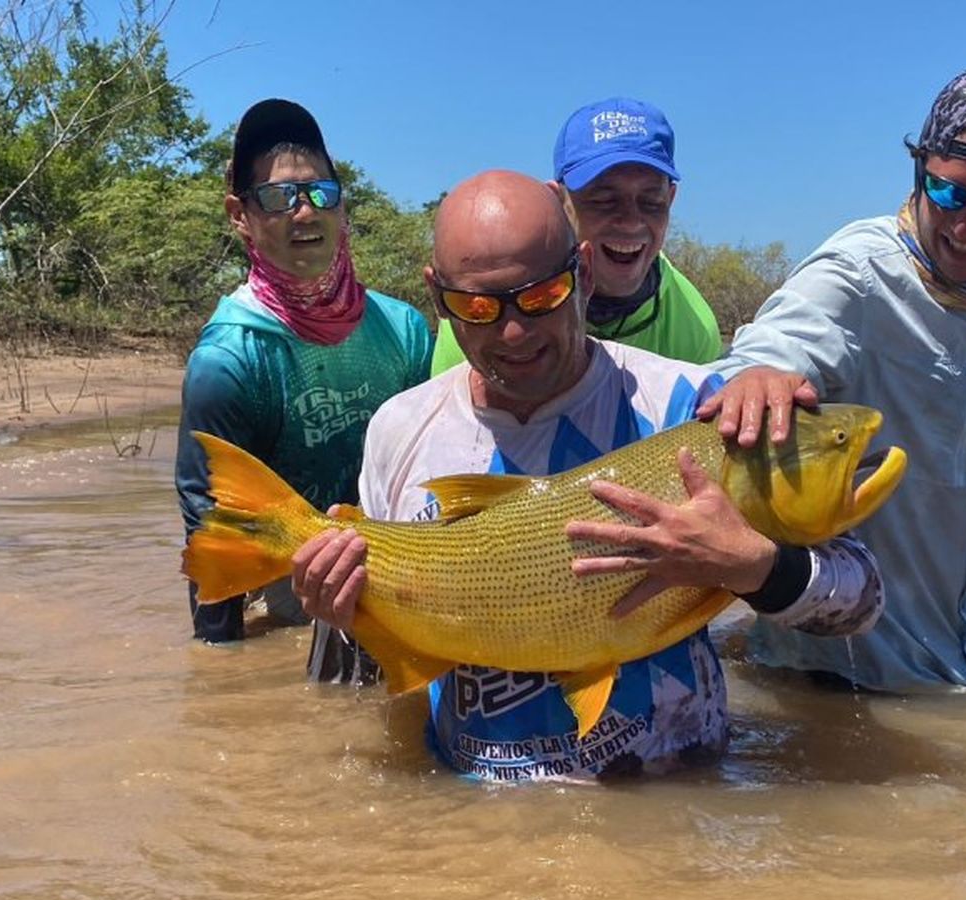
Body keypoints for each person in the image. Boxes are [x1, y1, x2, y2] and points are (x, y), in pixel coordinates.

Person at [292, 170, 883, 781]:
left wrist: (754, 568)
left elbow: (861, 601)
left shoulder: (691, 408)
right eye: (477, 307)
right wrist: (339, 609)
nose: (513, 332)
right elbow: (383, 668)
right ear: (437, 298)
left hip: (676, 803)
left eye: (541, 297)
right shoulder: (400, 428)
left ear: (584, 272)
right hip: (470, 828)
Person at [705, 63, 966, 692]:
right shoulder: (857, 272)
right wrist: (757, 372)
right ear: (919, 170)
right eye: (946, 190)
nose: (964, 223)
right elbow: (774, 345)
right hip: (847, 675)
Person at [175, 99, 433, 643]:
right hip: (302, 590)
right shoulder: (229, 361)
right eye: (278, 197)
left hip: (407, 569)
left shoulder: (406, 329)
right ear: (239, 215)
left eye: (321, 193)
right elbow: (210, 524)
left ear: (342, 208)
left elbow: (437, 468)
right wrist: (221, 678)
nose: (305, 212)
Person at [428, 97, 721, 376]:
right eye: (604, 200)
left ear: (670, 199)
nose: (631, 222)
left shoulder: (692, 327)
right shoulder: (485, 306)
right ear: (557, 200)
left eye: (651, 201)